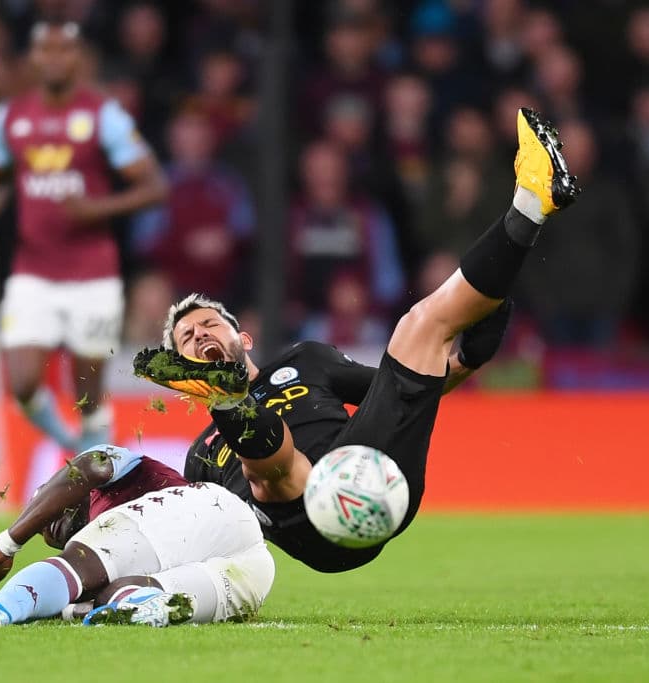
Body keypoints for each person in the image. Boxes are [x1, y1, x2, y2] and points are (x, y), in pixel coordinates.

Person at [133, 108, 580, 573]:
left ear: (243, 337)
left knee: (417, 327)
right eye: (187, 336)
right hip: (307, 522)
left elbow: (403, 390)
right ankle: (236, 405)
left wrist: (465, 359)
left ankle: (530, 204)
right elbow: (213, 533)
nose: (200, 332)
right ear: (180, 366)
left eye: (209, 324)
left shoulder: (306, 360)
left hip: (375, 479)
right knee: (269, 473)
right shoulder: (202, 454)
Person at [0, 21, 168, 453]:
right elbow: (4, 176)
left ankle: (95, 448)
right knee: (22, 382)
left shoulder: (102, 116)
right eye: (46, 50)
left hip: (92, 273)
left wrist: (96, 208)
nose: (54, 59)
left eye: (64, 50)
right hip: (32, 271)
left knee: (86, 391)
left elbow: (155, 186)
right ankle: (72, 447)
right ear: (33, 58)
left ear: (78, 58)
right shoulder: (10, 118)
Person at [0, 444, 273, 627]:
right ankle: (151, 605)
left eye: (45, 511)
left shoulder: (117, 480)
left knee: (77, 568)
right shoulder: (116, 543)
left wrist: (7, 543)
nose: (48, 526)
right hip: (252, 563)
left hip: (203, 504)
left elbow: (91, 465)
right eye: (45, 530)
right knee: (123, 598)